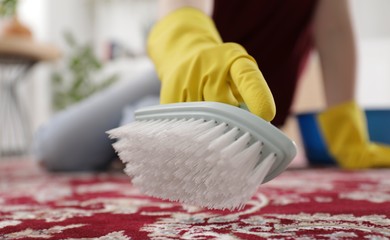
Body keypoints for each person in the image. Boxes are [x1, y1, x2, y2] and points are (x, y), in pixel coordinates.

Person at [33, 0, 390, 171]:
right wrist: (191, 47)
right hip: (189, 71)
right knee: (56, 147)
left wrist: (346, 129)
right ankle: (147, 121)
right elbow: (180, 7)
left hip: (259, 102)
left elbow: (336, 33)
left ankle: (145, 125)